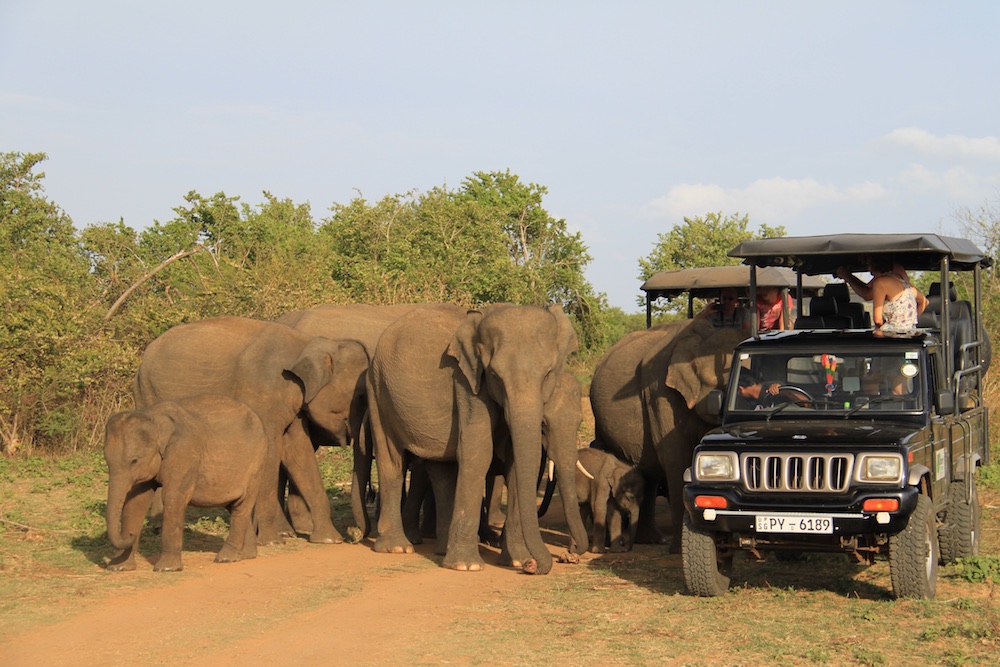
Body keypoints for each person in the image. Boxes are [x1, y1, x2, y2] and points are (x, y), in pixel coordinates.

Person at [836, 256, 927, 331]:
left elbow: (877, 319)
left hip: (891, 336)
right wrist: (907, 321)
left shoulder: (880, 283)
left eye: (867, 264)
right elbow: (924, 302)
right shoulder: (901, 281)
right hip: (910, 333)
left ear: (872, 265)